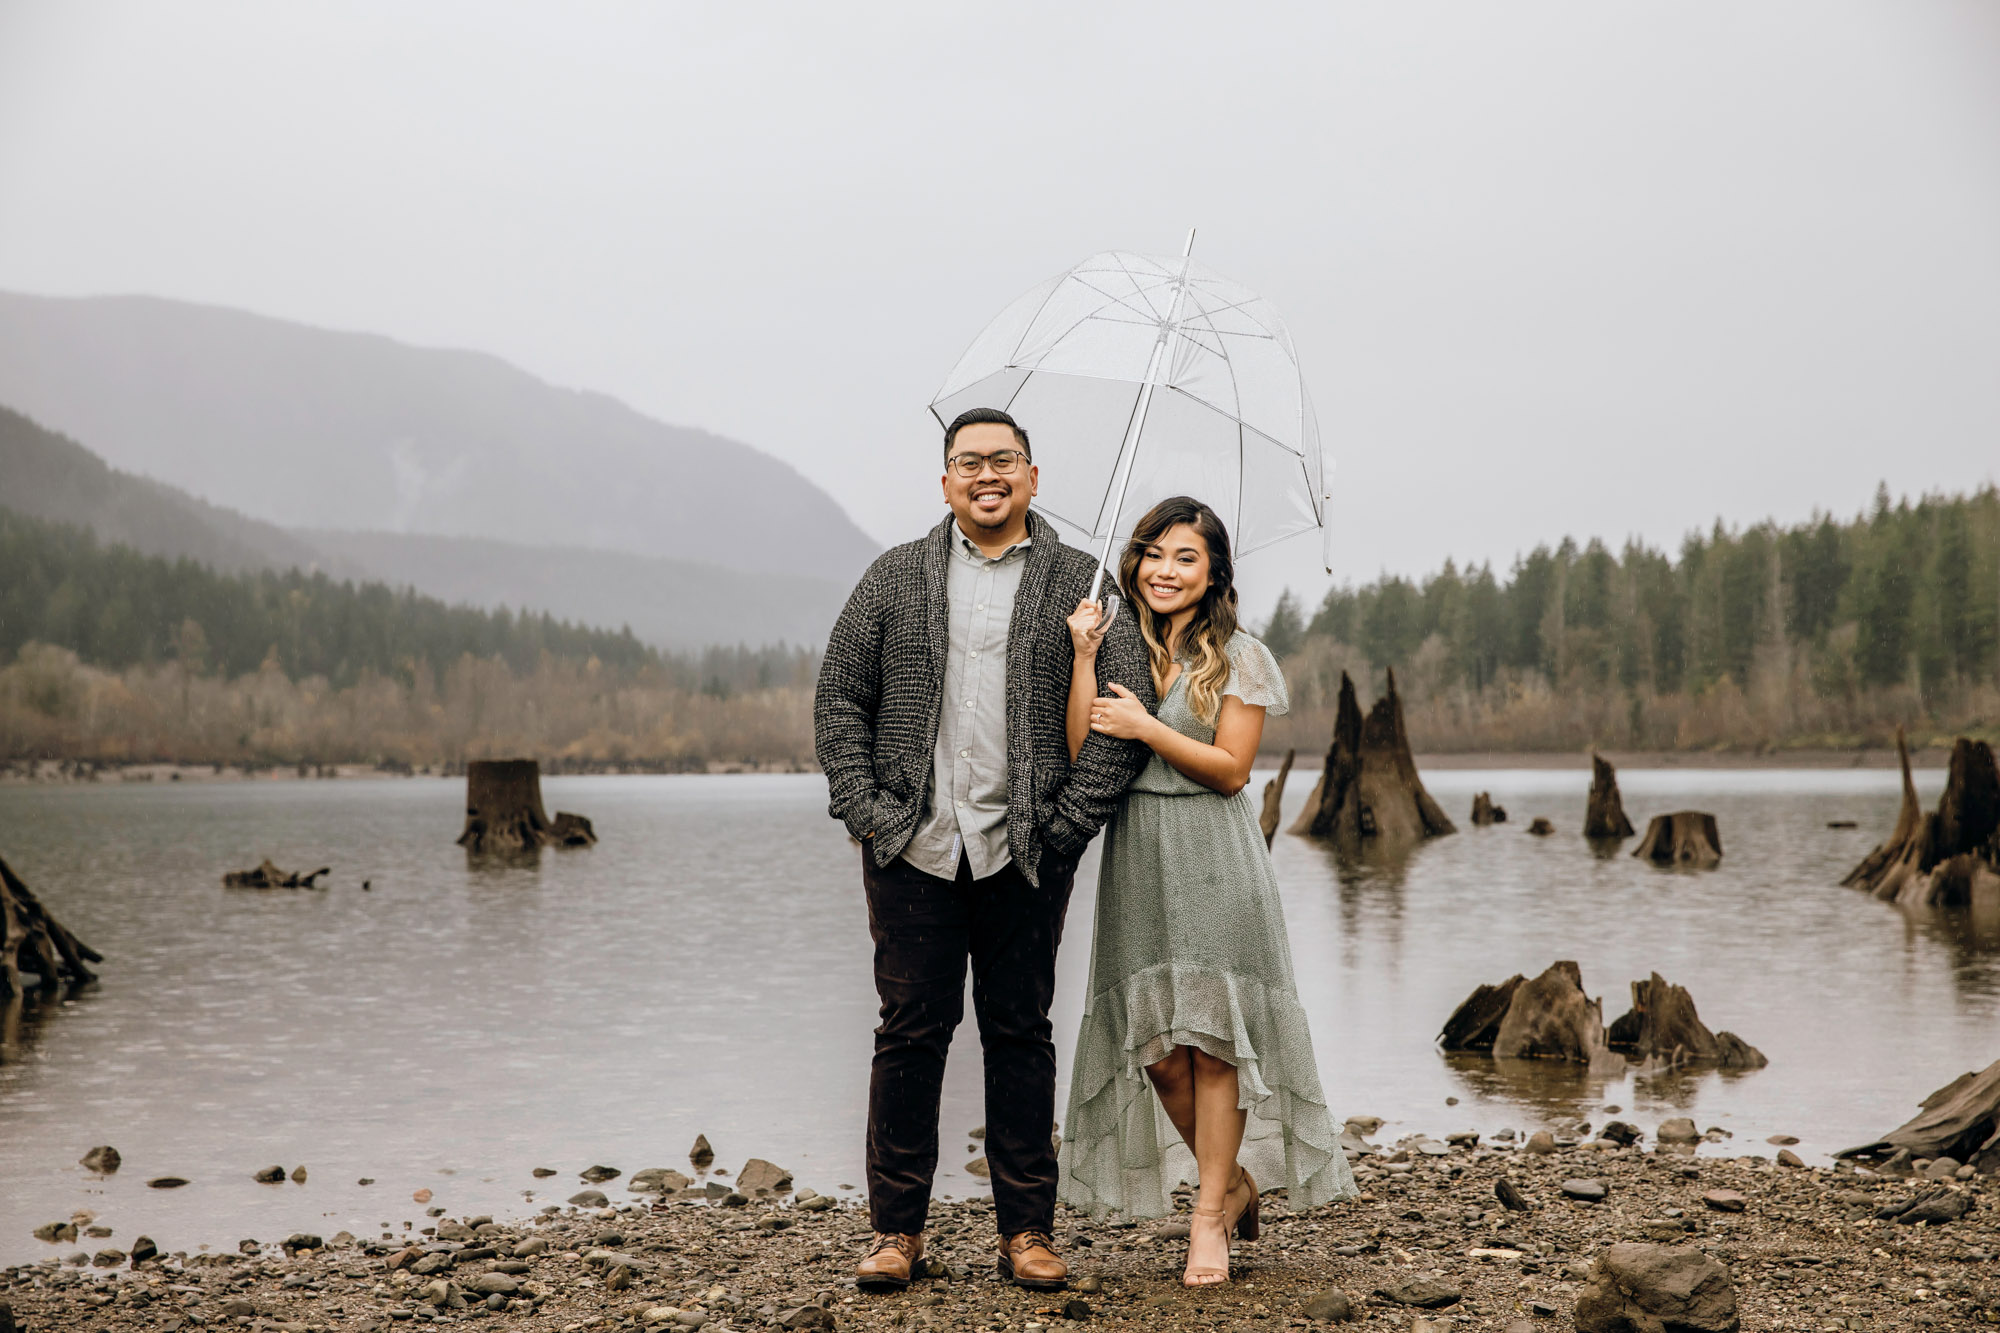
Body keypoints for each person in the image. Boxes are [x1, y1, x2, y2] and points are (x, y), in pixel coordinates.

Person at [814, 407, 1157, 1294]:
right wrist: (867, 813)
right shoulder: (894, 577)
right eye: (968, 463)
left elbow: (1127, 711)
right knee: (909, 1036)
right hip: (912, 848)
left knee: (1020, 1035)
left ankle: (1027, 1233)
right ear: (946, 483)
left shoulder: (1080, 586)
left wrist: (1071, 821)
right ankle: (897, 1232)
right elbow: (839, 699)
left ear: (1034, 476)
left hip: (1026, 852)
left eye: (1004, 459)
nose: (986, 475)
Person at [1056, 494, 1357, 1286]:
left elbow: (1232, 771)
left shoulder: (1241, 655)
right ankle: (1237, 1185)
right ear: (1135, 561)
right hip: (1138, 857)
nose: (1165, 569)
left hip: (1215, 857)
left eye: (1185, 557)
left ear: (1215, 571)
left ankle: (1206, 1217)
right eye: (1154, 553)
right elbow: (1085, 749)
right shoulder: (1117, 645)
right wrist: (1084, 658)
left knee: (1214, 1041)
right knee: (1157, 1049)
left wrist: (1153, 728)